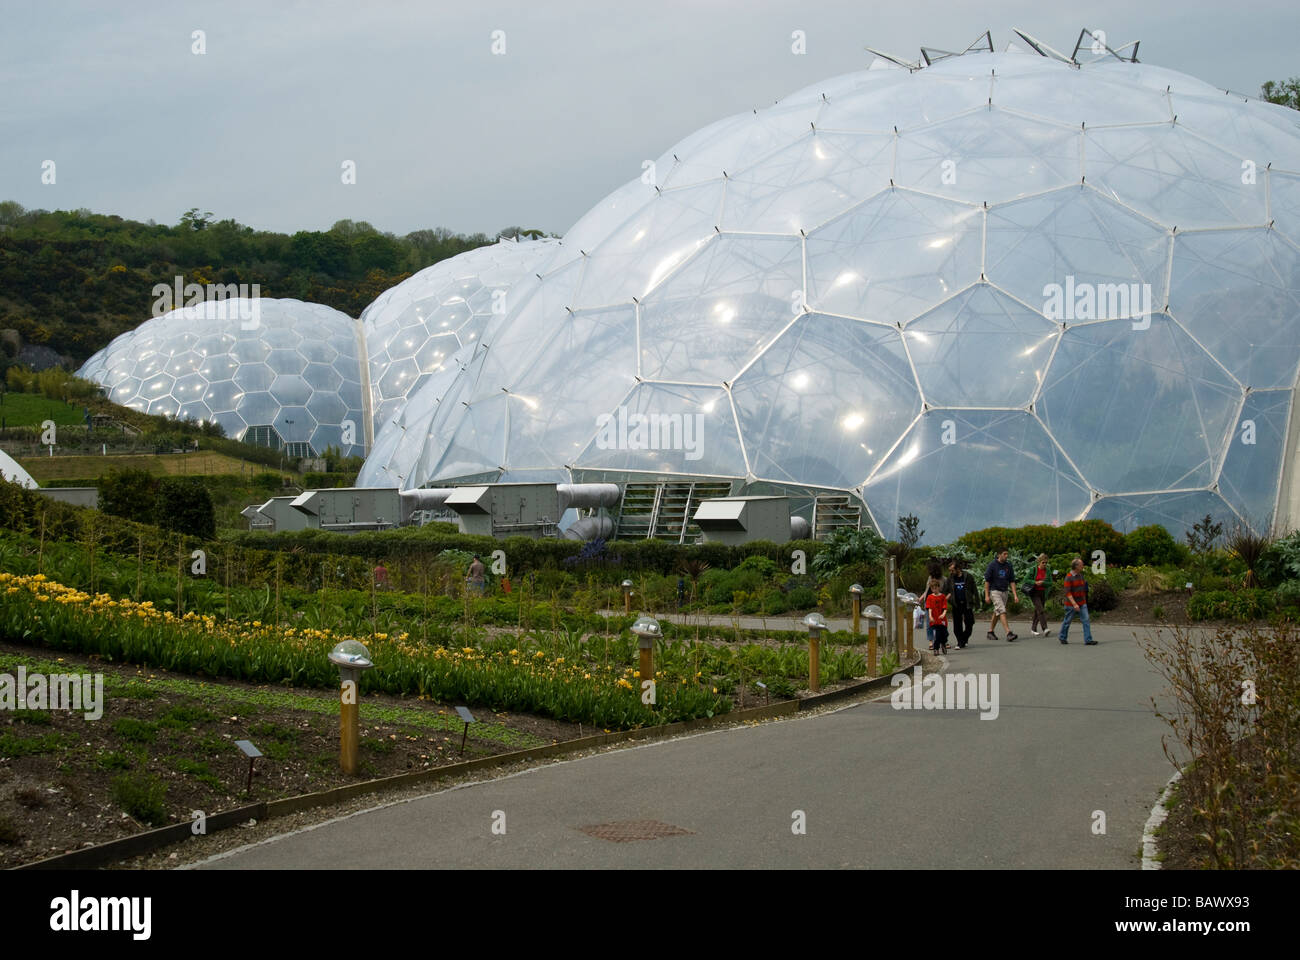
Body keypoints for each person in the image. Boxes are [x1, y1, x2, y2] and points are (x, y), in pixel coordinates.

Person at [983, 548, 1019, 642]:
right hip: (995, 591)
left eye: (1007, 554)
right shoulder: (992, 565)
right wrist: (987, 595)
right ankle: (1008, 633)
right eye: (1004, 554)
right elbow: (987, 581)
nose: (1006, 556)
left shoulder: (1008, 565)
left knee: (997, 611)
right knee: (1002, 610)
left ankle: (990, 632)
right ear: (999, 555)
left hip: (1005, 592)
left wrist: (1015, 595)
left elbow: (1012, 581)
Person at [1059, 557, 1097, 645]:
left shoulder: (1080, 576)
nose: (1083, 566)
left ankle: (1088, 639)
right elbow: (1068, 593)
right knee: (1067, 621)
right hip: (1071, 604)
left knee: (1086, 620)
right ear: (1076, 566)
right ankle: (1062, 637)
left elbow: (1083, 588)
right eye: (1081, 565)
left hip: (1082, 603)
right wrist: (1074, 604)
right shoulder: (1068, 578)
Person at [948, 558, 977, 648]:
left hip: (967, 603)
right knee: (957, 625)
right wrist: (949, 599)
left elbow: (974, 590)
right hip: (956, 604)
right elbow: (946, 590)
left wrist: (977, 602)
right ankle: (960, 642)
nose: (951, 572)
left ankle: (964, 638)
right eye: (950, 570)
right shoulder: (951, 578)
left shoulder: (968, 577)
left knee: (970, 623)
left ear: (958, 569)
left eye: (952, 570)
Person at [1026, 553, 1051, 635]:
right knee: (1040, 610)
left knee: (1038, 611)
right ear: (1039, 562)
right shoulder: (1033, 569)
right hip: (1034, 592)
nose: (1045, 564)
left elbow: (1050, 583)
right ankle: (1045, 628)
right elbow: (1026, 580)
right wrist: (1035, 582)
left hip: (1043, 592)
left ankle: (1033, 629)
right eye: (1043, 562)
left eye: (1046, 563)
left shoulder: (1047, 571)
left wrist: (1043, 583)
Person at [924, 577, 950, 654]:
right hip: (935, 619)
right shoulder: (930, 597)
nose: (934, 590)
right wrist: (930, 616)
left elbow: (945, 607)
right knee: (938, 634)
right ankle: (936, 648)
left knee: (945, 634)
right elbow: (929, 608)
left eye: (936, 588)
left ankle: (943, 644)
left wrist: (943, 614)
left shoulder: (942, 597)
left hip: (942, 619)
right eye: (933, 589)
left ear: (939, 587)